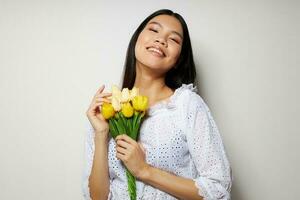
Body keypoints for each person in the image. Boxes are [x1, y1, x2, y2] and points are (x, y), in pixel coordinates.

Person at [83, 9, 232, 200]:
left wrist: (144, 170)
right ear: (137, 39)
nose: (161, 40)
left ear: (178, 60)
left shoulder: (186, 105)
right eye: (154, 30)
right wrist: (101, 134)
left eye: (174, 40)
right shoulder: (106, 110)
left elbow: (218, 189)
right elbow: (96, 198)